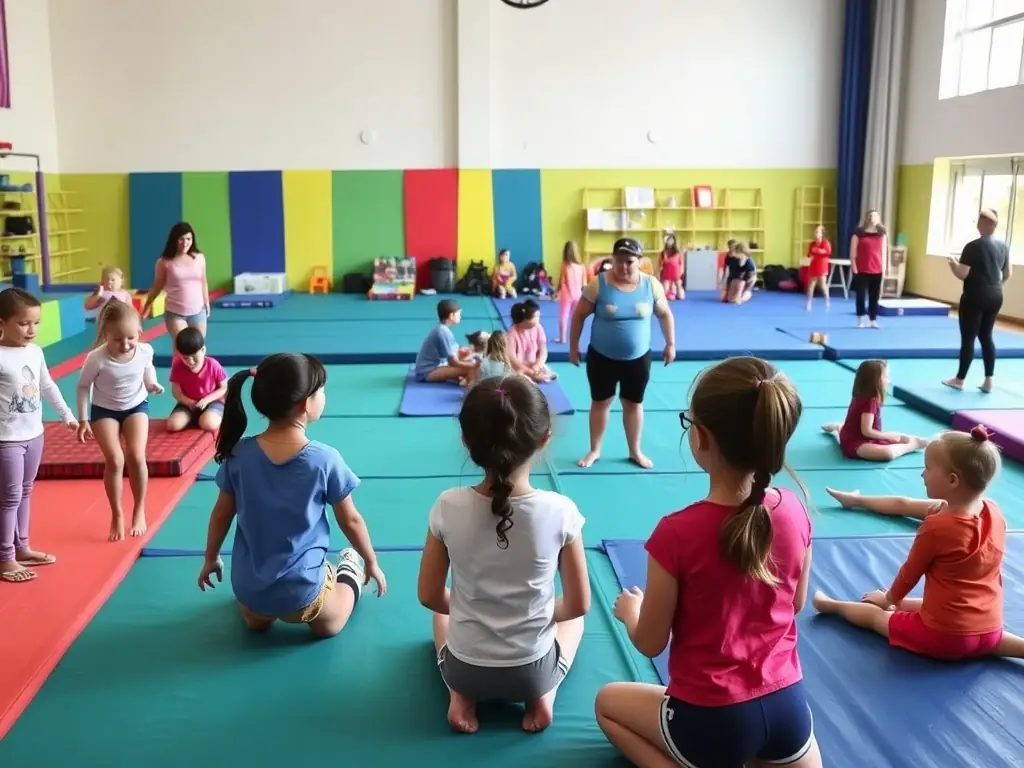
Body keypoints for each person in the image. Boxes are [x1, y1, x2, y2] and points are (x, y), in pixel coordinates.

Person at [595, 357, 821, 768]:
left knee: (607, 703)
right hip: (787, 710)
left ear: (700, 436)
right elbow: (796, 603)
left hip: (711, 720)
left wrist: (631, 612)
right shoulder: (794, 509)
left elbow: (650, 642)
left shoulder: (677, 533)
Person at [417, 375, 589, 733]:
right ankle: (544, 696)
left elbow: (430, 596)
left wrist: (475, 610)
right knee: (575, 622)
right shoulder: (561, 511)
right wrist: (529, 613)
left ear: (466, 440)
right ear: (544, 439)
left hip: (466, 669)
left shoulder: (447, 505)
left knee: (440, 617)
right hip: (532, 672)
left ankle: (460, 696)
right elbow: (577, 605)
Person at [197, 353, 386, 637]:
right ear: (305, 403)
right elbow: (351, 520)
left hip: (250, 589)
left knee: (257, 623)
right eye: (321, 391)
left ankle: (260, 614)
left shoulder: (239, 454)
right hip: (303, 590)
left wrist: (210, 558)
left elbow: (221, 514)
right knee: (329, 626)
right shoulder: (324, 459)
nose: (324, 397)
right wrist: (370, 561)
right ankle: (349, 567)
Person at [814, 427, 1024, 661]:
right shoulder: (993, 511)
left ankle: (831, 605)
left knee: (876, 617)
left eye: (928, 468)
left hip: (945, 637)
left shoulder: (937, 527)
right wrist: (857, 500)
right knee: (950, 612)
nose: (922, 474)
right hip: (989, 630)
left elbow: (908, 575)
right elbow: (904, 504)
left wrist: (888, 600)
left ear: (952, 480)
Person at [569, 237, 676, 469]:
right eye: (619, 261)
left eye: (629, 261)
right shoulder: (598, 284)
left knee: (633, 404)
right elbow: (578, 316)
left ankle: (635, 451)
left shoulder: (651, 285)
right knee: (600, 402)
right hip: (602, 358)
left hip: (638, 359)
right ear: (613, 260)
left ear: (639, 261)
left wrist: (670, 344)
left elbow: (665, 314)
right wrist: (573, 346)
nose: (623, 266)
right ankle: (595, 450)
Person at [0, 288, 77, 583]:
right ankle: (5, 557)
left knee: (26, 491)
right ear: (2, 323)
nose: (31, 329)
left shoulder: (35, 352)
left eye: (35, 323)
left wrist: (67, 415)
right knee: (9, 497)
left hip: (34, 434)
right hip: (7, 438)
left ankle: (22, 547)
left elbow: (47, 385)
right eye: (23, 323)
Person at [76, 300, 164, 541]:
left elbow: (147, 367)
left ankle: (139, 509)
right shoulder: (96, 358)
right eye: (117, 340)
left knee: (136, 455)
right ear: (105, 335)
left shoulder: (145, 350)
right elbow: (83, 387)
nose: (125, 345)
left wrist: (151, 383)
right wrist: (83, 420)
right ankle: (117, 514)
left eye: (131, 338)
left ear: (139, 333)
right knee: (115, 460)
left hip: (136, 405)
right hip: (104, 410)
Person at [944, 208, 1013, 393]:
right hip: (996, 296)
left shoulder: (973, 246)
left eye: (980, 221)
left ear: (986, 224)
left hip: (975, 296)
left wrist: (952, 263)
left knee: (968, 338)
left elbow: (962, 273)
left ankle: (959, 379)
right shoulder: (1003, 246)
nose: (977, 224)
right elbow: (1008, 273)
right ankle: (988, 380)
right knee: (986, 336)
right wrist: (995, 286)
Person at [821, 359, 928, 461]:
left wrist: (892, 437)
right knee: (888, 453)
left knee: (901, 438)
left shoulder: (863, 395)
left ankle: (838, 426)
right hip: (856, 443)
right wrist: (888, 436)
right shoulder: (869, 401)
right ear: (875, 380)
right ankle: (914, 444)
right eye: (886, 376)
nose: (889, 380)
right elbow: (867, 431)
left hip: (855, 435)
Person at [141, 221, 211, 345]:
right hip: (175, 313)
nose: (185, 243)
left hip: (197, 310)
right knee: (182, 345)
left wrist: (207, 302)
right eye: (181, 239)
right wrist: (147, 307)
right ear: (174, 240)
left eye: (188, 239)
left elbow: (203, 281)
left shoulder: (199, 257)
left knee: (197, 346)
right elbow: (157, 287)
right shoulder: (164, 262)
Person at [166, 327, 228, 433]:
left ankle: (209, 416)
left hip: (212, 401)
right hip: (188, 404)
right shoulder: (178, 365)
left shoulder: (213, 365)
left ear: (203, 350)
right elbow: (176, 392)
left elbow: (224, 388)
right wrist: (190, 403)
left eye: (194, 357)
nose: (190, 362)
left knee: (208, 423)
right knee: (173, 425)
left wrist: (206, 400)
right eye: (185, 358)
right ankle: (194, 418)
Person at [413, 299, 478, 384]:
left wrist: (468, 353)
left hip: (436, 366)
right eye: (459, 314)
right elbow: (453, 362)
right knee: (471, 369)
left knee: (468, 359)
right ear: (451, 316)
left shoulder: (442, 329)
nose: (460, 316)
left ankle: (463, 378)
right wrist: (473, 365)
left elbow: (456, 352)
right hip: (427, 372)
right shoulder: (443, 331)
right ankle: (471, 385)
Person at [850, 209, 887, 328]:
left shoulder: (882, 234)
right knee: (861, 296)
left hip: (877, 269)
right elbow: (853, 252)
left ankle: (873, 320)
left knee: (874, 297)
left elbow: (884, 253)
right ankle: (860, 319)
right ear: (867, 218)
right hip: (862, 270)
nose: (873, 219)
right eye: (871, 216)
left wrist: (884, 269)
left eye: (876, 216)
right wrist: (854, 267)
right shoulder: (859, 233)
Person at [508, 300, 555, 383]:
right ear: (525, 319)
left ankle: (538, 377)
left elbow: (543, 352)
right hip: (518, 367)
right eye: (536, 316)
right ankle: (534, 378)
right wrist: (529, 372)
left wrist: (537, 366)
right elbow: (512, 358)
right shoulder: (512, 333)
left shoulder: (538, 328)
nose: (538, 319)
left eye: (539, 316)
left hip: (533, 365)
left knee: (544, 371)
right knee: (520, 378)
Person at [554, 240, 586, 343]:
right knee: (576, 317)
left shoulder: (565, 265)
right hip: (578, 294)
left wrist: (556, 291)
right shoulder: (581, 266)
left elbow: (561, 279)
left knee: (564, 316)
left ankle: (562, 338)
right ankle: (575, 337)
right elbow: (584, 283)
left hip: (567, 294)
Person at [805, 226, 832, 311]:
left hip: (822, 266)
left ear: (822, 234)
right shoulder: (812, 244)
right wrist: (814, 253)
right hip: (813, 265)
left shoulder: (826, 243)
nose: (816, 233)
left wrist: (818, 251)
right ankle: (809, 302)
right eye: (815, 232)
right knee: (811, 285)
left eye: (818, 232)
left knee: (823, 285)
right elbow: (809, 253)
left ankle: (827, 300)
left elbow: (828, 252)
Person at [658, 233, 685, 300]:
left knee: (681, 296)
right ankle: (671, 292)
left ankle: (676, 291)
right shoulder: (663, 252)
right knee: (665, 290)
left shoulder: (678, 252)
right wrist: (659, 272)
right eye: (668, 240)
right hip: (666, 272)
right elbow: (660, 264)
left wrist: (681, 271)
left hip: (676, 272)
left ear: (674, 241)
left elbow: (681, 263)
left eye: (671, 240)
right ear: (666, 241)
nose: (669, 242)